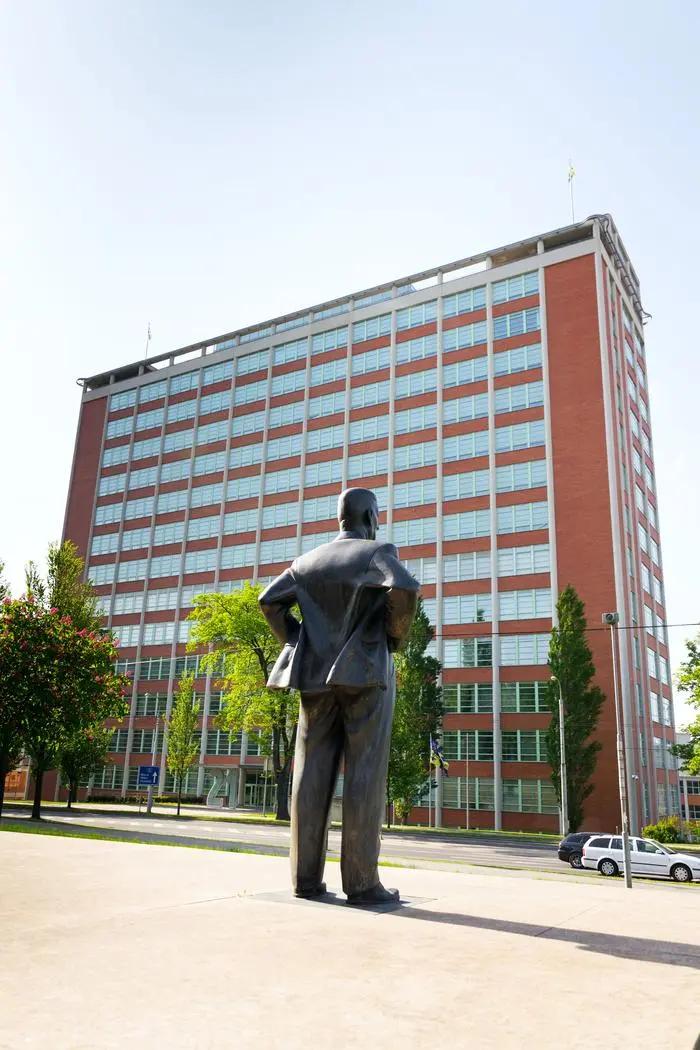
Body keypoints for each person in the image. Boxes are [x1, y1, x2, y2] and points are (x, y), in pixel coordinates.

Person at [259, 487, 419, 905]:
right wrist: (392, 637)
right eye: (376, 516)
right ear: (368, 516)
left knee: (308, 773)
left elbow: (268, 602)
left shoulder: (305, 562)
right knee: (365, 770)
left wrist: (300, 641)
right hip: (364, 674)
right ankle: (362, 883)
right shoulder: (376, 551)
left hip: (313, 678)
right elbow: (404, 588)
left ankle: (304, 879)